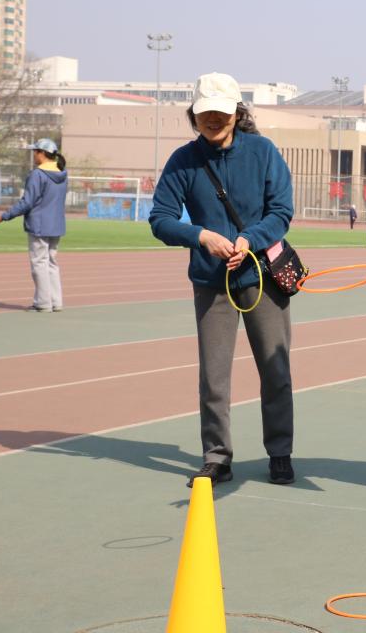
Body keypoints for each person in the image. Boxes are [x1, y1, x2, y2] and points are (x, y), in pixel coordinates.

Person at [149, 73, 297, 487]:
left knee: (275, 370)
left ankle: (280, 452)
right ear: (194, 115)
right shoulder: (183, 160)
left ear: (236, 112)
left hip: (262, 277)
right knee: (213, 377)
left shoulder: (263, 152)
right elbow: (160, 219)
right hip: (212, 283)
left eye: (221, 112)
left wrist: (250, 239)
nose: (213, 119)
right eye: (205, 113)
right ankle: (217, 457)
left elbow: (281, 211)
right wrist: (201, 237)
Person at [0, 138, 69, 312]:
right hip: (56, 225)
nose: (34, 155)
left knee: (39, 263)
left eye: (35, 151)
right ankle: (56, 302)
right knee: (51, 263)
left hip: (39, 225)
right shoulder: (63, 174)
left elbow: (27, 202)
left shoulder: (37, 174)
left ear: (42, 153)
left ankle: (43, 303)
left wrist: (4, 216)